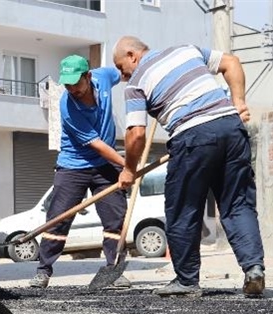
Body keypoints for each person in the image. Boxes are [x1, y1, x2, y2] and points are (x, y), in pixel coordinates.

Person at [113, 36, 265, 298]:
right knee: (237, 204)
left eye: (120, 67)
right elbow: (231, 62)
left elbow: (136, 133)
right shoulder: (186, 50)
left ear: (132, 55)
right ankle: (254, 268)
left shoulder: (137, 82)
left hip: (192, 138)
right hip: (231, 128)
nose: (122, 76)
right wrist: (238, 101)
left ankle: (186, 280)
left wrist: (128, 169)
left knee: (183, 209)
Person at [29, 55, 129, 289]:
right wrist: (128, 166)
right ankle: (43, 271)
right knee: (58, 219)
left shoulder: (104, 77)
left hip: (105, 166)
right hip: (74, 164)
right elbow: (98, 146)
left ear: (88, 76)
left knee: (115, 218)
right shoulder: (67, 106)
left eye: (77, 82)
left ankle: (114, 269)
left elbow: (125, 72)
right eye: (68, 84)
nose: (72, 88)